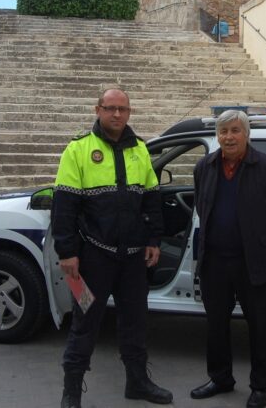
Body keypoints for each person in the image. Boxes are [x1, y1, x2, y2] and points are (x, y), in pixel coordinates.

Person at [51, 87, 173, 408]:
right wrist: (67, 253)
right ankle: (71, 391)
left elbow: (152, 199)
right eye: (110, 108)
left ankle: (137, 382)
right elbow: (64, 207)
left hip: (132, 261)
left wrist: (154, 239)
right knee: (84, 323)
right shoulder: (78, 149)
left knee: (135, 322)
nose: (117, 114)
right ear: (98, 110)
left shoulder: (140, 150)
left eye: (123, 109)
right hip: (91, 260)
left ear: (129, 112)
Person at [189, 110, 266, 408]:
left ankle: (262, 386)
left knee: (261, 326)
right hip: (215, 262)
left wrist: (260, 242)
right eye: (223, 131)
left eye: (235, 130)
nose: (229, 137)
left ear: (246, 134)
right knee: (216, 325)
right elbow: (202, 206)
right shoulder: (204, 167)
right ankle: (220, 378)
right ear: (217, 135)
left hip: (254, 263)